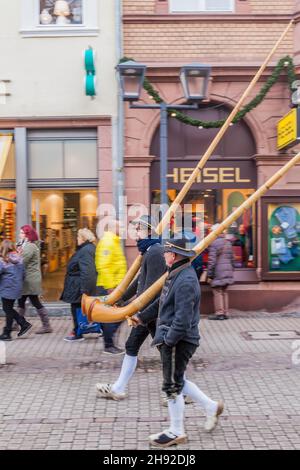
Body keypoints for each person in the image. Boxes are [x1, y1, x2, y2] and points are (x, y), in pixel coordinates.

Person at [131, 235, 224, 447]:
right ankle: (211, 407)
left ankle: (176, 431)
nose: (163, 254)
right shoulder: (175, 274)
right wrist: (141, 317)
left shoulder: (186, 281)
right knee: (178, 380)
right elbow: (162, 304)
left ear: (173, 255)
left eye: (166, 252)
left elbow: (182, 319)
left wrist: (168, 341)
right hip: (174, 338)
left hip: (179, 340)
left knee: (170, 385)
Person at [96, 215, 166, 397]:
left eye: (138, 230)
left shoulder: (156, 252)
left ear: (149, 231)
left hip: (152, 313)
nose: (134, 234)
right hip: (144, 312)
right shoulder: (148, 251)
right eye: (134, 229)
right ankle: (119, 388)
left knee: (166, 351)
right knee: (132, 346)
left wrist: (140, 313)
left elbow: (153, 289)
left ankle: (180, 391)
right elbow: (138, 282)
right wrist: (118, 299)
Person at [95, 219, 127, 355]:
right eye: (120, 226)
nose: (122, 228)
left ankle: (108, 338)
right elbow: (103, 265)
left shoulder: (114, 241)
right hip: (110, 286)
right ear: (113, 227)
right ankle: (108, 344)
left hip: (115, 285)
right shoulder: (108, 242)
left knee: (119, 313)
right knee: (116, 315)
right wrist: (109, 287)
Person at [61, 228, 97, 342]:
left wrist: (85, 290)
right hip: (77, 285)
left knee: (76, 309)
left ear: (83, 238)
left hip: (78, 286)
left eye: (78, 237)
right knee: (78, 309)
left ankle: (78, 333)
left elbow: (87, 271)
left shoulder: (85, 250)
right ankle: (79, 330)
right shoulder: (87, 248)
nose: (76, 239)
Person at [17, 225, 52, 334]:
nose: (20, 235)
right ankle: (18, 322)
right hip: (28, 279)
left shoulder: (30, 246)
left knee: (35, 301)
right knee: (21, 301)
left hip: (30, 279)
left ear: (28, 235)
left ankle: (46, 325)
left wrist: (15, 254)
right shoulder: (25, 244)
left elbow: (21, 260)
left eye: (22, 233)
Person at [0, 240, 32, 341]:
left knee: (8, 309)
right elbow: (24, 274)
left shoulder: (3, 260)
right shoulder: (19, 258)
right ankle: (15, 328)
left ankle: (9, 332)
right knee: (9, 308)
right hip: (17, 288)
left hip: (7, 288)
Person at [207, 224, 235, 321]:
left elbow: (212, 261)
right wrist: (231, 270)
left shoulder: (214, 243)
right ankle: (226, 312)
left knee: (217, 291)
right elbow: (232, 259)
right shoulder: (228, 242)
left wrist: (209, 274)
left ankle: (219, 313)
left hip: (218, 272)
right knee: (224, 291)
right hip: (227, 270)